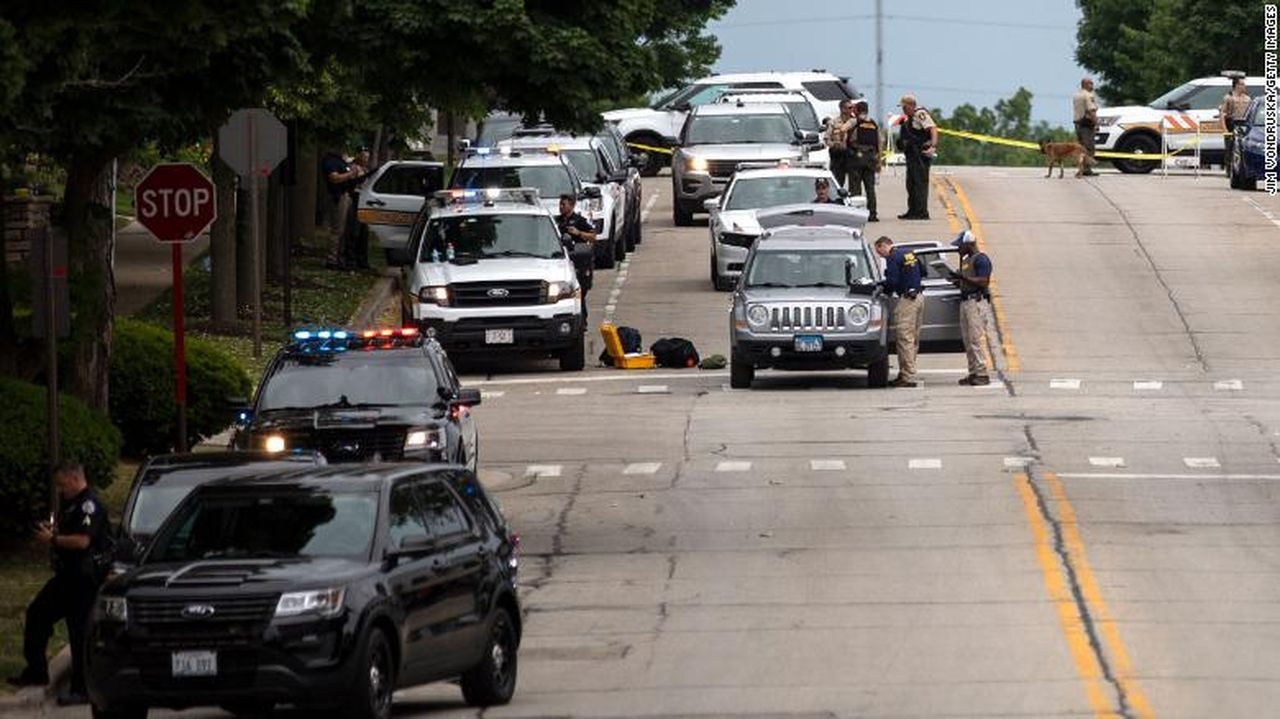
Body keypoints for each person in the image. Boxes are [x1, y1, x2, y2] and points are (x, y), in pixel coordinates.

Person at [9, 462, 108, 705]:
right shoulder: (71, 504)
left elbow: (82, 541)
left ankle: (82, 689)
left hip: (83, 579)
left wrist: (52, 538)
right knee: (37, 614)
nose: (60, 490)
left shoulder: (89, 505)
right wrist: (54, 531)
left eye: (63, 485)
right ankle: (36, 671)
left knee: (79, 633)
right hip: (66, 577)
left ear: (75, 478)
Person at [873, 236, 923, 387]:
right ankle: (908, 371)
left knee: (904, 338)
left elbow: (892, 281)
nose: (880, 255)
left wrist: (883, 289)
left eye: (879, 252)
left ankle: (907, 376)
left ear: (883, 246)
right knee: (913, 338)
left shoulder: (892, 257)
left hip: (907, 299)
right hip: (919, 297)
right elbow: (923, 271)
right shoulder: (909, 254)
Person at [949, 230, 993, 386]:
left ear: (968, 244)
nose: (958, 249)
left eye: (960, 246)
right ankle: (973, 371)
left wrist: (963, 277)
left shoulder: (981, 259)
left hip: (975, 302)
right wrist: (958, 281)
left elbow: (983, 281)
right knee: (967, 340)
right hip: (966, 302)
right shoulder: (967, 261)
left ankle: (982, 373)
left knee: (975, 339)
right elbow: (968, 281)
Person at [320, 147, 368, 269]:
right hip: (338, 196)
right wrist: (351, 174)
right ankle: (332, 259)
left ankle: (340, 258)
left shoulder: (342, 162)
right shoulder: (331, 161)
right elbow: (334, 178)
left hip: (347, 195)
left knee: (346, 229)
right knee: (338, 229)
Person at [555, 193, 597, 328]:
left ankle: (582, 321)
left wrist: (578, 233)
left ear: (572, 205)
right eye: (560, 204)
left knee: (580, 293)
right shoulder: (556, 221)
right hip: (561, 262)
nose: (561, 207)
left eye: (564, 204)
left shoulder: (579, 221)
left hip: (579, 262)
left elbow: (593, 236)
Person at [897, 95, 938, 220]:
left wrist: (933, 145)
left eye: (904, 107)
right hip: (912, 155)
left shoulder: (920, 114)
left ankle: (921, 212)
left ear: (911, 105)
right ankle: (912, 210)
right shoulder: (909, 119)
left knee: (920, 183)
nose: (903, 110)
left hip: (920, 154)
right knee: (911, 184)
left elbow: (933, 129)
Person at [847, 99, 881, 222]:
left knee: (855, 188)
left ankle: (857, 213)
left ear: (857, 110)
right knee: (870, 188)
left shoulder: (854, 121)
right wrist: (878, 161)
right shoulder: (873, 124)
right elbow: (878, 143)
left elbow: (842, 130)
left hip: (856, 159)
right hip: (871, 160)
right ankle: (872, 214)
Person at [1220, 77, 1251, 171]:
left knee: (1243, 149)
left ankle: (1243, 168)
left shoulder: (1247, 98)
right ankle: (1229, 169)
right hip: (1231, 125)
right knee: (1230, 148)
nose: (1244, 86)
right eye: (1242, 84)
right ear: (1237, 85)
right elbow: (1222, 114)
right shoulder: (1229, 98)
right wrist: (1224, 129)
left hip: (1244, 126)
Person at [824, 99, 856, 190]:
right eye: (849, 107)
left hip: (851, 154)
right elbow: (827, 138)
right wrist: (834, 144)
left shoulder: (854, 121)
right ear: (842, 109)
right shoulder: (833, 122)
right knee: (838, 181)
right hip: (838, 154)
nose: (852, 110)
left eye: (853, 108)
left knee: (854, 183)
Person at [1072, 78, 1100, 176]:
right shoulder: (1088, 96)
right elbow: (1091, 111)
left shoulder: (1076, 95)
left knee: (1081, 147)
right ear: (1085, 84)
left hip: (1077, 124)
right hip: (1086, 125)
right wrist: (1096, 123)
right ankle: (1086, 170)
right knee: (1088, 148)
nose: (1092, 86)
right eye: (1090, 84)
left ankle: (1082, 168)